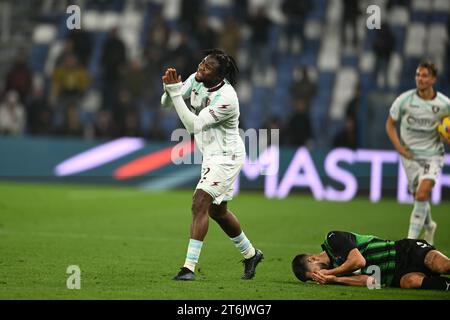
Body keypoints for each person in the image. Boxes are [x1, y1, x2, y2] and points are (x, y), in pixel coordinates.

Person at [161, 49, 263, 281]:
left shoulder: (226, 98)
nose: (201, 67)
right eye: (202, 62)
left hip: (227, 156)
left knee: (200, 202)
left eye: (207, 67)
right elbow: (166, 103)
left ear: (219, 76)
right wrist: (170, 89)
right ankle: (251, 254)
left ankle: (188, 268)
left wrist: (175, 93)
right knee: (218, 211)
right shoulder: (198, 79)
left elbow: (192, 126)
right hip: (210, 155)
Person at [385, 61, 450, 245]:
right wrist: (399, 148)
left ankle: (409, 243)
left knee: (421, 195)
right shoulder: (404, 100)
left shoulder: (444, 104)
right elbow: (390, 124)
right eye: (418, 75)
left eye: (424, 75)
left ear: (433, 79)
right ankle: (429, 226)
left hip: (433, 155)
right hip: (409, 156)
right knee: (418, 197)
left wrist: (447, 137)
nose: (420, 79)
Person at [292, 230, 450, 291]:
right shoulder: (336, 275)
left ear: (312, 259)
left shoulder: (333, 239)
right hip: (396, 275)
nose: (319, 276)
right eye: (314, 278)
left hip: (405, 251)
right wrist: (336, 279)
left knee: (443, 266)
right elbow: (373, 282)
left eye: (314, 273)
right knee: (411, 282)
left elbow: (358, 261)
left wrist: (332, 272)